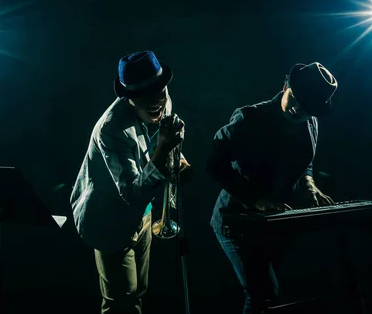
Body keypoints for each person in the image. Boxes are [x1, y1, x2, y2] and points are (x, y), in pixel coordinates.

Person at [207, 62, 338, 313]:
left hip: (273, 222)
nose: (298, 109)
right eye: (295, 99)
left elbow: (306, 164)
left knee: (270, 296)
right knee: (263, 293)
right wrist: (256, 199)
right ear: (285, 86)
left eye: (307, 107)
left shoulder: (310, 123)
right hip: (237, 220)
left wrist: (309, 184)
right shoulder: (248, 118)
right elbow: (214, 165)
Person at [70, 50, 191, 313]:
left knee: (139, 293)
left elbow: (161, 143)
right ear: (129, 99)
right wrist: (162, 150)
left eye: (160, 92)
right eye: (146, 98)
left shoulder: (162, 101)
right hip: (109, 220)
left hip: (144, 215)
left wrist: (177, 158)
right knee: (121, 304)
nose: (157, 102)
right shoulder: (111, 129)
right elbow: (132, 193)